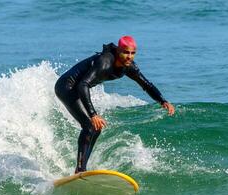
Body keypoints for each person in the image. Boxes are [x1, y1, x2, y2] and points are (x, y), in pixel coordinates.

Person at [55, 36, 175, 173]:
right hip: (66, 87)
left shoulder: (128, 66)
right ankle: (80, 169)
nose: (129, 57)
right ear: (118, 51)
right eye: (126, 52)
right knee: (89, 126)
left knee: (96, 128)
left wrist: (162, 100)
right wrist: (93, 114)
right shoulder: (104, 62)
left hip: (79, 88)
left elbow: (146, 85)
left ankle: (81, 168)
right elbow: (83, 84)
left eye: (132, 53)